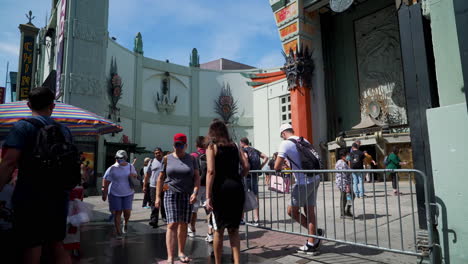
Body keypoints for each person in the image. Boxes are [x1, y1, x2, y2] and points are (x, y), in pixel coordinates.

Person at [0, 87, 76, 264]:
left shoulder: (22, 127)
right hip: (59, 197)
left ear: (28, 104)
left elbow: (9, 163)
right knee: (57, 243)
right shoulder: (65, 131)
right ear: (52, 106)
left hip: (30, 196)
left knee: (32, 245)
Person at [273, 124, 323, 254]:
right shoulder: (303, 140)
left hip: (303, 182)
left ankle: (315, 235)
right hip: (315, 178)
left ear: (283, 134)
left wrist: (281, 165)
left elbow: (276, 166)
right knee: (310, 211)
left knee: (291, 211)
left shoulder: (285, 144)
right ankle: (312, 241)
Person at [205, 120, 249, 264]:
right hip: (236, 188)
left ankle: (218, 262)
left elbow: (211, 171)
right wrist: (238, 177)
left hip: (220, 189)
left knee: (219, 229)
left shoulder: (212, 147)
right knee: (234, 229)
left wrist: (208, 196)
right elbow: (246, 166)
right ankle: (237, 262)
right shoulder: (236, 146)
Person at [155, 133, 200, 264]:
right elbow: (160, 178)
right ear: (173, 145)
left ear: (186, 145)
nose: (178, 147)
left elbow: (197, 177)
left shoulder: (192, 159)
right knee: (172, 224)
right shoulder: (167, 158)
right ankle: (170, 256)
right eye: (176, 145)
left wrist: (195, 192)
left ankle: (181, 252)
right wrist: (157, 197)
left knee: (184, 224)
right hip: (170, 193)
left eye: (181, 145)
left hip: (187, 194)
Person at [102, 150, 138, 239]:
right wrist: (104, 192)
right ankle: (118, 232)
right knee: (117, 212)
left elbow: (135, 176)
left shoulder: (130, 167)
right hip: (115, 193)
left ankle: (126, 222)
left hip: (128, 192)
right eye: (117, 158)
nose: (118, 159)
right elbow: (106, 180)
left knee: (127, 211)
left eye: (120, 158)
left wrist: (133, 175)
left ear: (125, 158)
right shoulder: (112, 168)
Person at [188, 136, 213, 243]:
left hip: (196, 185)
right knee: (209, 209)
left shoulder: (193, 155)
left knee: (194, 208)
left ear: (196, 145)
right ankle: (210, 233)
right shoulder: (210, 154)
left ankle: (192, 229)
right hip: (208, 185)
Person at [239, 137, 268, 226]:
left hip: (246, 176)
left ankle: (242, 218)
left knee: (243, 196)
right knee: (255, 196)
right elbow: (266, 157)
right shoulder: (254, 150)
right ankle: (256, 219)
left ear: (242, 143)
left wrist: (244, 168)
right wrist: (260, 167)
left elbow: (246, 158)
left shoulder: (243, 150)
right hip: (255, 175)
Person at [144, 148, 164, 228]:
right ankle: (154, 220)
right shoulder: (151, 162)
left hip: (164, 186)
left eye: (159, 152)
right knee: (153, 203)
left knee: (164, 203)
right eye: (156, 153)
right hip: (153, 186)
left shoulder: (166, 161)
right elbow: (147, 174)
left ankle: (165, 217)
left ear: (162, 153)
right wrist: (145, 185)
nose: (157, 154)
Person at [335, 149, 354, 218]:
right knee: (344, 197)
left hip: (345, 183)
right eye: (347, 155)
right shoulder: (341, 163)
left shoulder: (344, 162)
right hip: (343, 183)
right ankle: (343, 213)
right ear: (343, 156)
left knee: (348, 197)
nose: (348, 156)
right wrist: (347, 186)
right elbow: (344, 176)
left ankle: (346, 211)